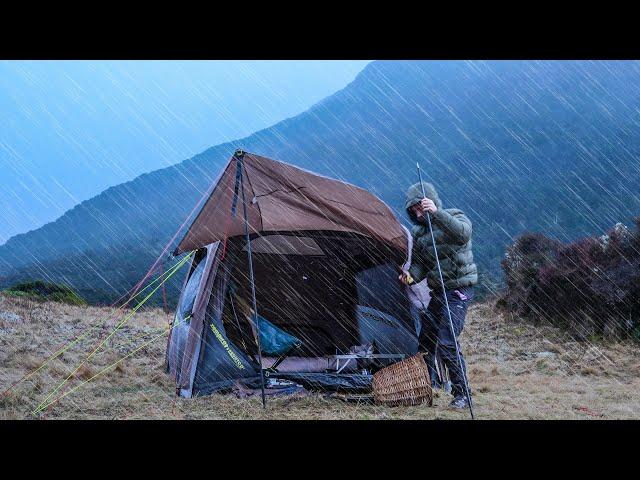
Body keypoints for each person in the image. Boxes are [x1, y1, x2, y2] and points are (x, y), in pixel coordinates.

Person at [399, 182, 477, 410]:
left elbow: (464, 235)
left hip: (459, 290)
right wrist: (410, 277)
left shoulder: (454, 216)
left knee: (447, 339)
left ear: (430, 201)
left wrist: (437, 213)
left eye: (420, 207)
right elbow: (421, 265)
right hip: (438, 293)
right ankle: (425, 387)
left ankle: (462, 394)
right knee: (426, 339)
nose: (418, 213)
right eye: (413, 210)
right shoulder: (420, 232)